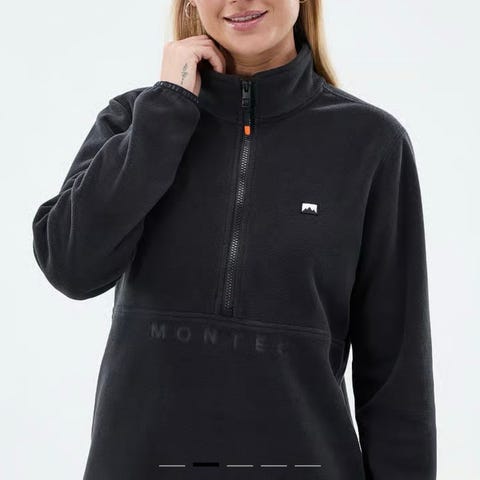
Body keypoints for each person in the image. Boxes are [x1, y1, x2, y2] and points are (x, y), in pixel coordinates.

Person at [31, 1, 437, 478]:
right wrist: (167, 108)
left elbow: (397, 377)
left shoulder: (371, 143)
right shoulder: (136, 120)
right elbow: (71, 266)